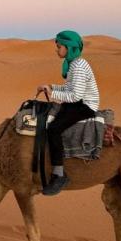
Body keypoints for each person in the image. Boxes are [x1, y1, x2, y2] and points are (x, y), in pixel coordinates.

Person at [37, 30, 100, 195]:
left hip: (84, 106)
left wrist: (53, 94)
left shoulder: (78, 66)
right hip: (76, 102)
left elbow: (75, 95)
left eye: (59, 47)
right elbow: (68, 88)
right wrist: (51, 86)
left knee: (54, 128)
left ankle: (59, 174)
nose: (56, 50)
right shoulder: (74, 64)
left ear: (69, 47)